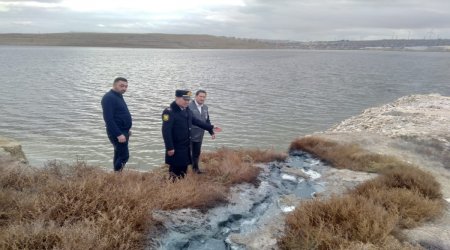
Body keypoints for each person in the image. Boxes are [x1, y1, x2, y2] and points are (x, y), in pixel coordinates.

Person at [161, 89, 221, 179]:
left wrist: (211, 127)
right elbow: (166, 131)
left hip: (185, 145)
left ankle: (181, 188)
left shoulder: (187, 110)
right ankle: (172, 188)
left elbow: (196, 121)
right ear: (177, 98)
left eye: (188, 100)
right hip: (175, 147)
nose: (187, 102)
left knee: (183, 170)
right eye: (185, 99)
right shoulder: (169, 111)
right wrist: (169, 147)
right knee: (174, 170)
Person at [101, 77, 132, 172]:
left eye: (126, 86)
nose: (124, 88)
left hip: (123, 131)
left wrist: (127, 129)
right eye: (121, 86)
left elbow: (120, 115)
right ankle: (117, 174)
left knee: (118, 154)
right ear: (114, 85)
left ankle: (116, 174)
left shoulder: (118, 96)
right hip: (117, 132)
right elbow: (108, 119)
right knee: (124, 156)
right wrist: (118, 134)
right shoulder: (108, 98)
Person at [189, 90, 214, 174]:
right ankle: (183, 171)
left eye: (204, 97)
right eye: (200, 96)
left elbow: (207, 121)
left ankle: (196, 170)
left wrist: (211, 132)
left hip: (200, 135)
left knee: (196, 153)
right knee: (187, 154)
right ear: (196, 96)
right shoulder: (189, 106)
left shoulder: (205, 107)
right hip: (188, 135)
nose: (202, 98)